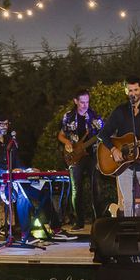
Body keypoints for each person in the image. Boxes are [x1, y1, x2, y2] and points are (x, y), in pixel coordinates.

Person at [0, 114, 76, 243]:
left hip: (16, 180)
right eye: (1, 124)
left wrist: (28, 171)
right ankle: (26, 234)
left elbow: (18, 161)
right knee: (21, 194)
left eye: (6, 124)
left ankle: (56, 228)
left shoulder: (10, 140)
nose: (5, 127)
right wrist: (7, 172)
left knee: (44, 190)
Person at [97, 76, 140, 217]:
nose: (133, 93)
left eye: (136, 90)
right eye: (130, 90)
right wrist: (113, 149)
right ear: (126, 91)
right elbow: (103, 134)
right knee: (127, 203)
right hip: (124, 166)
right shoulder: (120, 111)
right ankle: (128, 234)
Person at [57, 89, 105, 231]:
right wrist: (66, 142)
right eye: (82, 102)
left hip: (92, 156)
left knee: (96, 188)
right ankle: (78, 221)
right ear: (76, 101)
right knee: (76, 189)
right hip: (75, 157)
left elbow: (105, 133)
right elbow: (60, 135)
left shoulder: (95, 117)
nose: (85, 105)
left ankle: (99, 222)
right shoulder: (68, 117)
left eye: (87, 102)